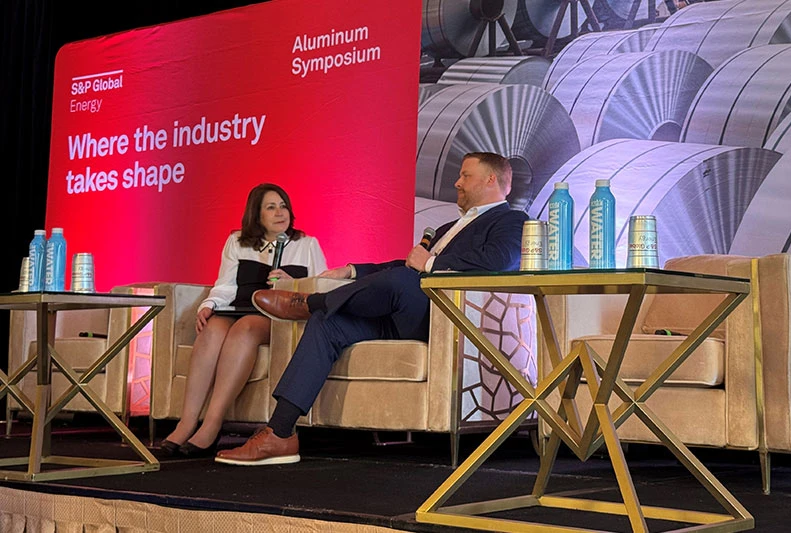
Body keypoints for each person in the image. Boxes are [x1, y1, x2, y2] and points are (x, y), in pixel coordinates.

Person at [215, 152, 528, 466]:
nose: (457, 183)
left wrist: (431, 263)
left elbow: (499, 260)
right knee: (330, 321)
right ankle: (280, 433)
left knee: (401, 280)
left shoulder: (513, 220)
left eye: (465, 176)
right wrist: (351, 271)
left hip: (446, 316)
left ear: (491, 180)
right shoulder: (450, 226)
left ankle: (309, 303)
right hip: (404, 311)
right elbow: (403, 265)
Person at [160, 183, 327, 457]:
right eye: (271, 207)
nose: (279, 213)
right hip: (239, 307)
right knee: (212, 329)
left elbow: (322, 287)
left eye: (283, 206)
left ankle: (213, 424)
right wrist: (209, 305)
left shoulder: (306, 244)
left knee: (246, 328)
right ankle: (186, 422)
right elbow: (225, 285)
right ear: (256, 215)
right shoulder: (237, 242)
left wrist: (294, 282)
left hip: (277, 316)